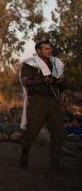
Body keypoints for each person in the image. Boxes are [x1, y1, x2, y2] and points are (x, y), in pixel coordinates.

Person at [19, 41, 65, 171]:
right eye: (46, 49)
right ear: (38, 51)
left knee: (58, 131)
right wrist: (42, 80)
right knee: (33, 129)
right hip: (38, 100)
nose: (49, 51)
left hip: (54, 100)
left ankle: (55, 162)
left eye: (50, 49)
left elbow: (62, 83)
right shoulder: (30, 63)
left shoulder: (56, 64)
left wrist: (57, 81)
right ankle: (25, 153)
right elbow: (25, 81)